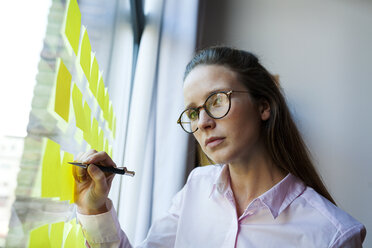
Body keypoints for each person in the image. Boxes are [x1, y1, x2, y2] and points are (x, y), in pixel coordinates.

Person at [73, 46, 366, 247]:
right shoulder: (196, 187)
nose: (202, 123)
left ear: (263, 106)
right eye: (192, 112)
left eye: (216, 101)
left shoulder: (334, 235)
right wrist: (95, 208)